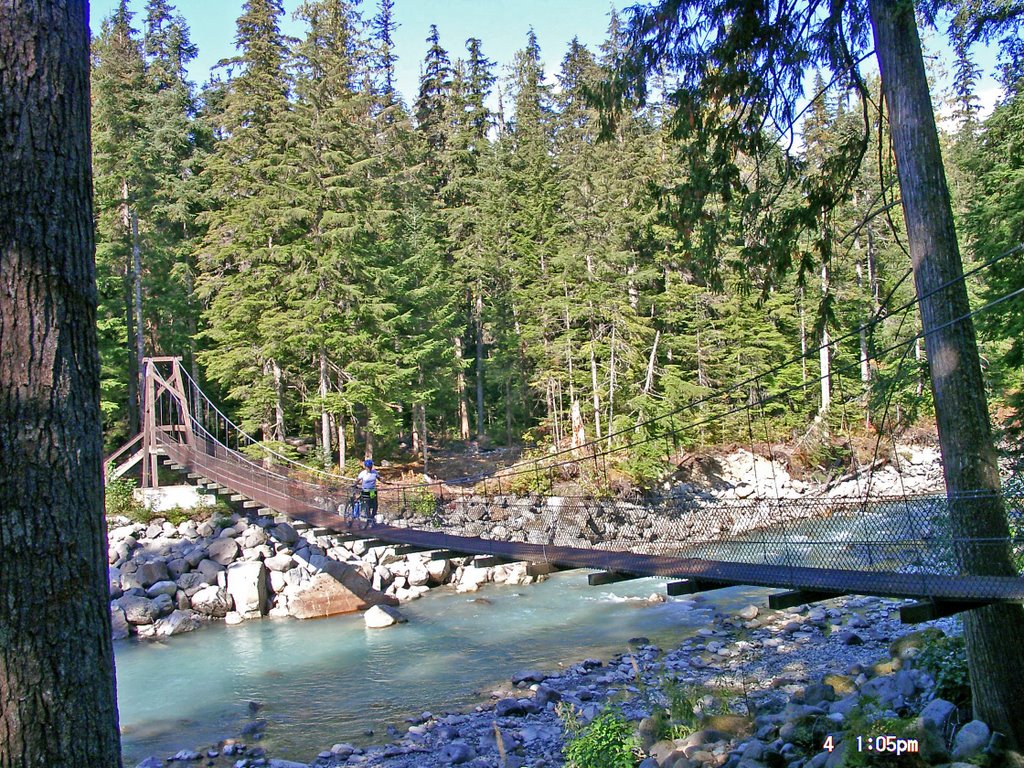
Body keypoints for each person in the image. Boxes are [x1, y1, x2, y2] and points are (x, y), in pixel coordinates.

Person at [354, 459, 381, 527]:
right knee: (367, 504)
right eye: (368, 467)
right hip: (365, 491)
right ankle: (369, 519)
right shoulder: (363, 473)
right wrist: (355, 485)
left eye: (370, 467)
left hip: (372, 491)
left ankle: (371, 517)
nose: (369, 468)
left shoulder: (374, 472)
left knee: (375, 505)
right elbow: (358, 480)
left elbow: (379, 478)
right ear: (365, 467)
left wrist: (386, 482)